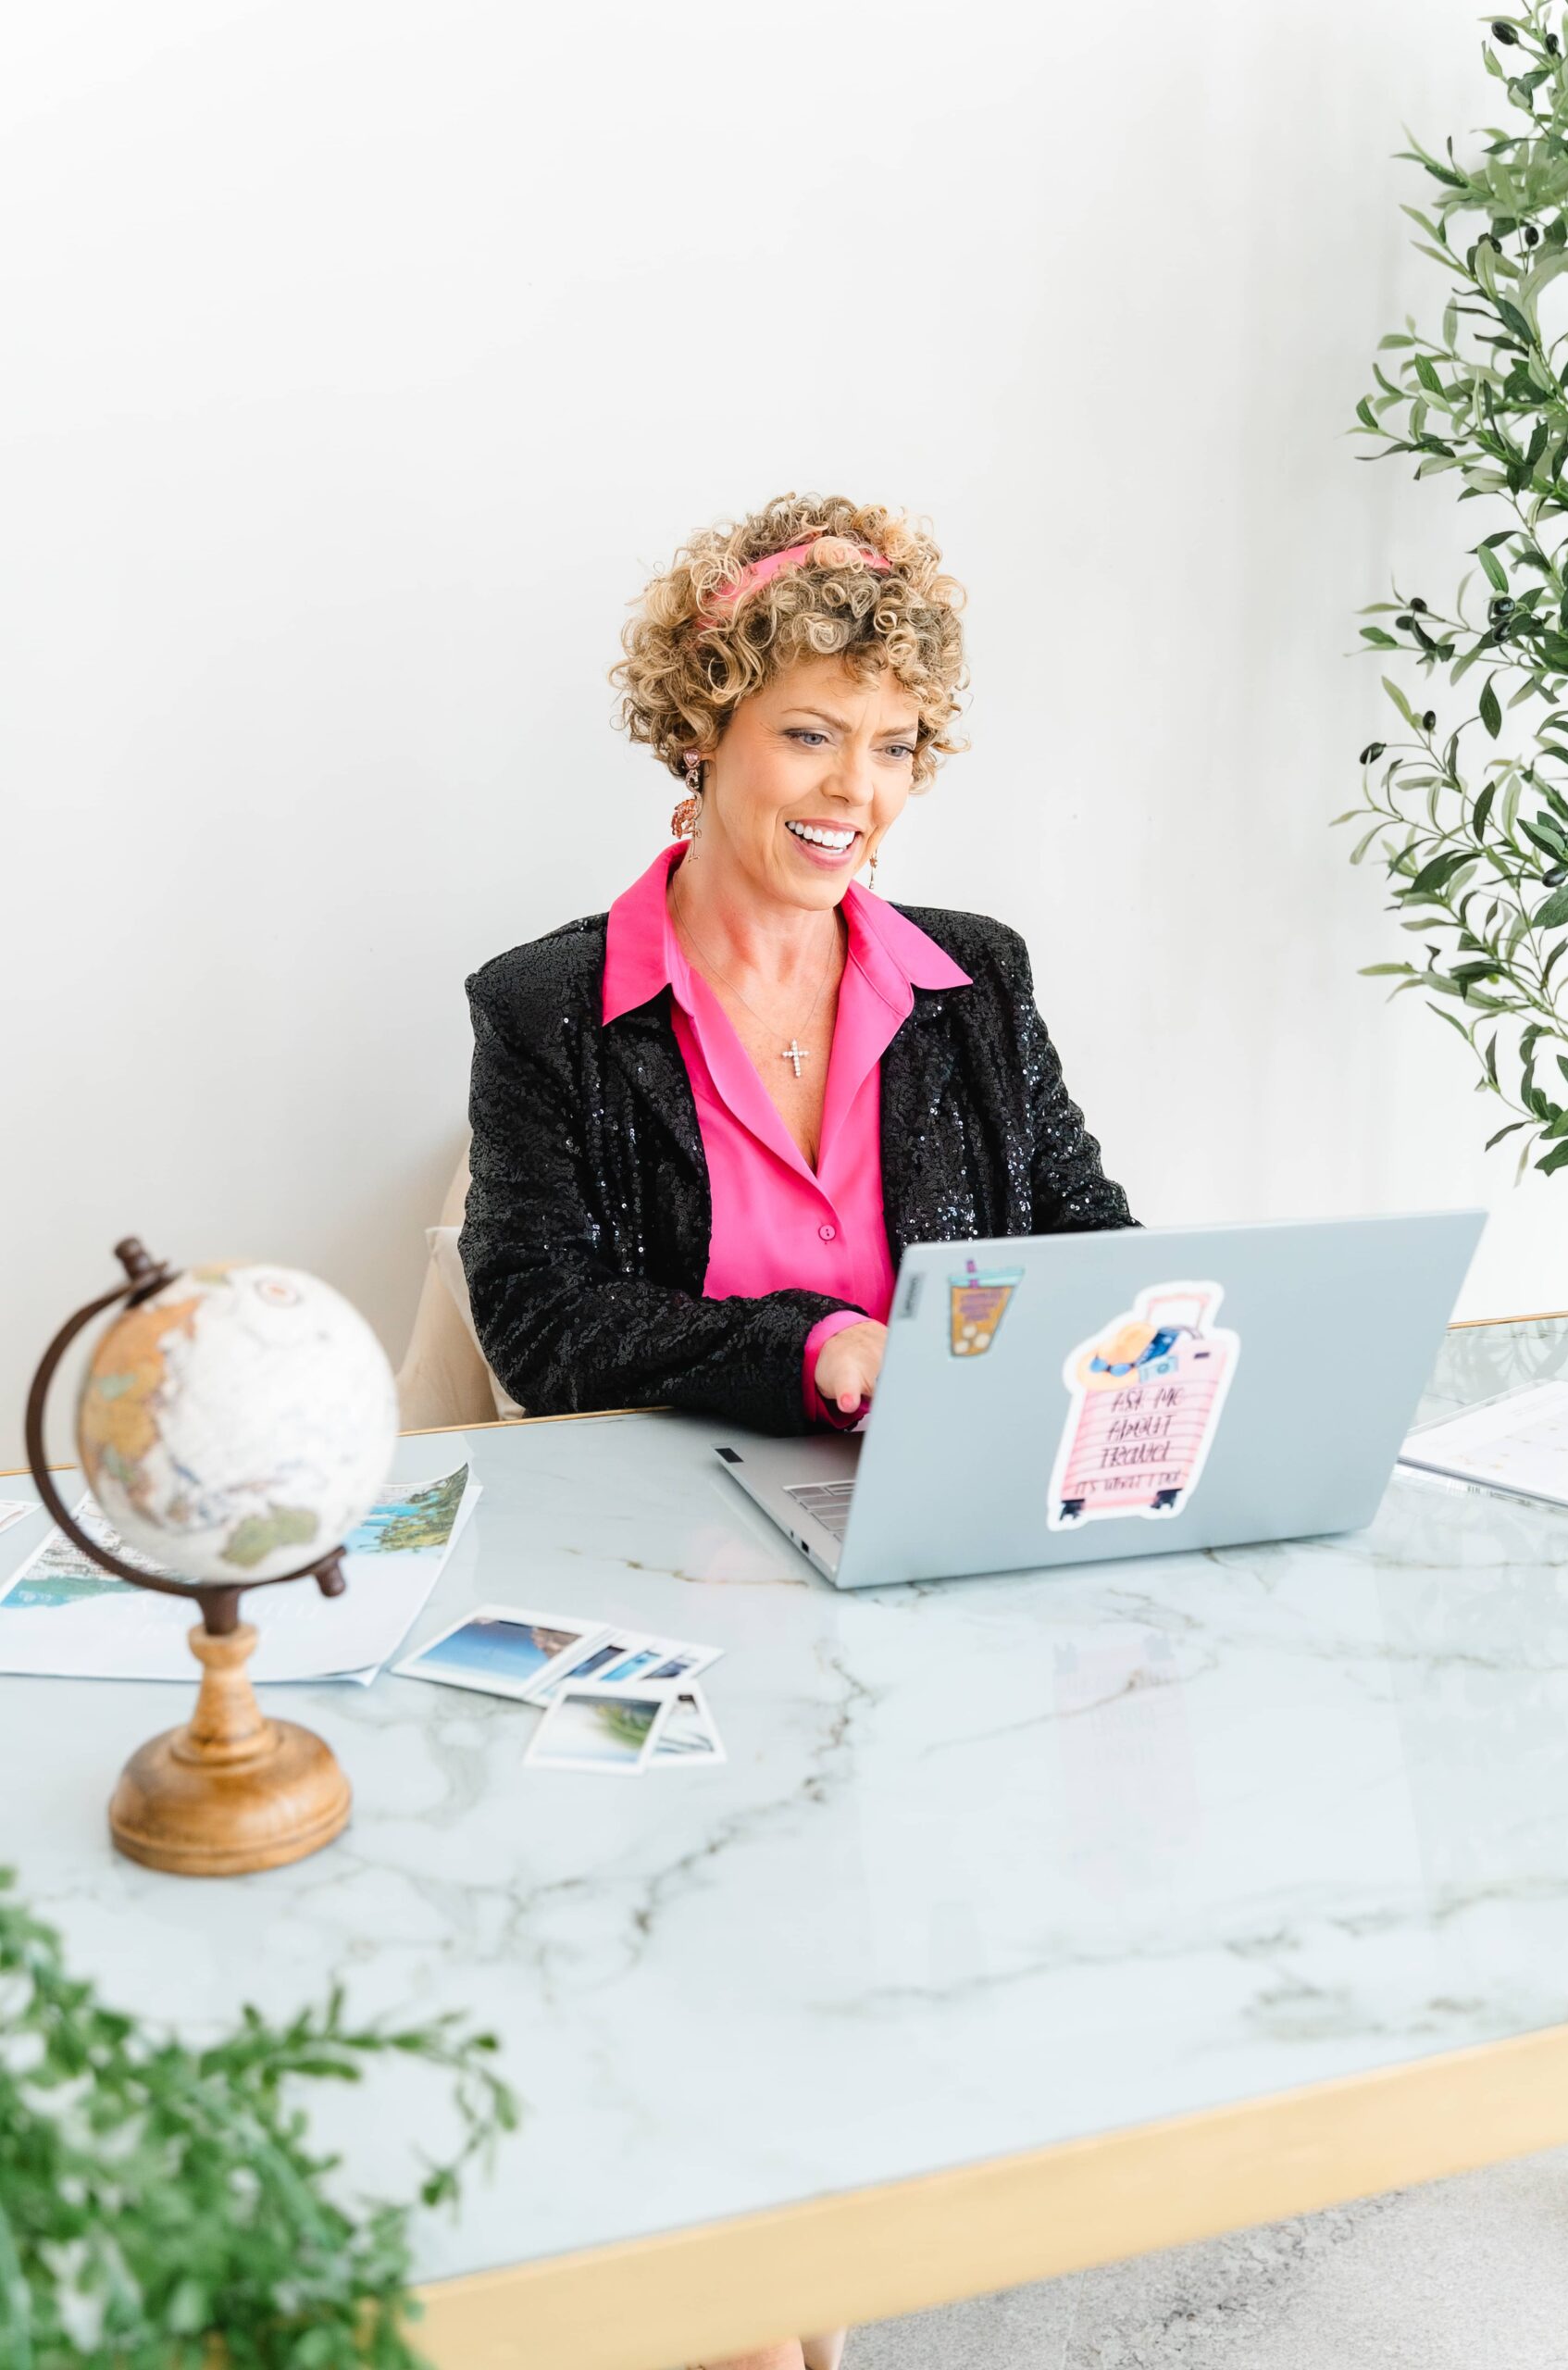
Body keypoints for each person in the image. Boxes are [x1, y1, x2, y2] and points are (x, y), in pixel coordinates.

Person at [459, 493, 1134, 2370]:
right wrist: (825, 1352)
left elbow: (1084, 1235)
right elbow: (537, 1316)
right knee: (711, 1964)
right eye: (813, 730)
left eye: (898, 740)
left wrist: (1150, 1337)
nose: (860, 787)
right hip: (662, 1574)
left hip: (939, 1578)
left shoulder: (972, 981)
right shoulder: (548, 1011)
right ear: (709, 728)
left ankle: (771, 2278)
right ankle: (751, 2298)